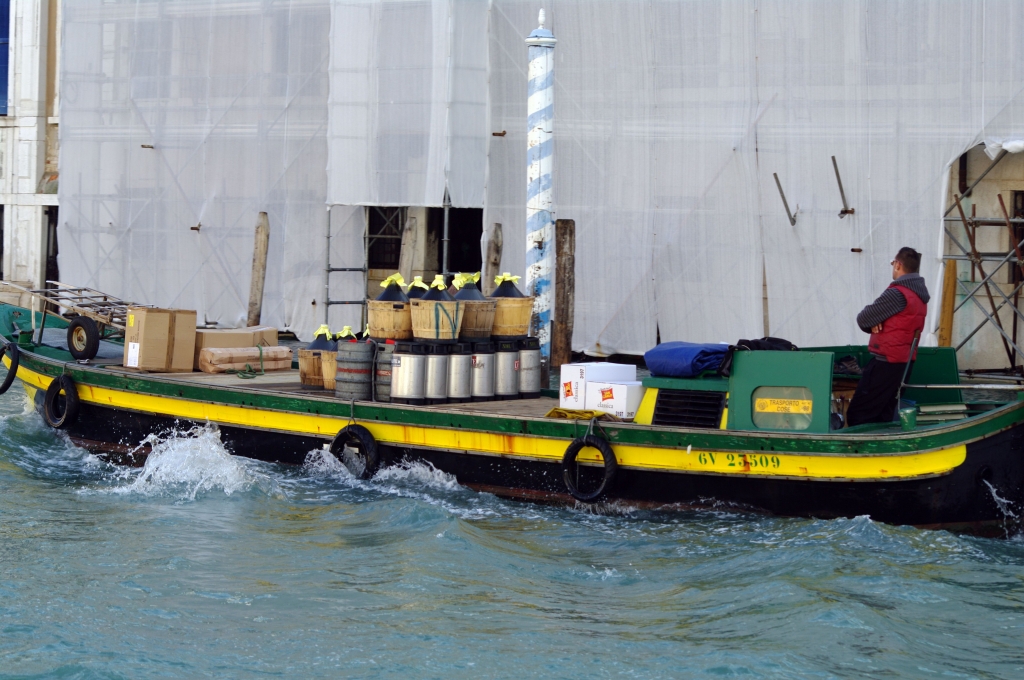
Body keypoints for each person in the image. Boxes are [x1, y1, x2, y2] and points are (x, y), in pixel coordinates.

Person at [845, 247, 930, 426]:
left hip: (886, 362)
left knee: (858, 415)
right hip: (904, 362)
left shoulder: (898, 293)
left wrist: (875, 321)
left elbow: (863, 318)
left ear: (898, 264)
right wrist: (877, 321)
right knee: (883, 415)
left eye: (893, 263)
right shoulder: (919, 294)